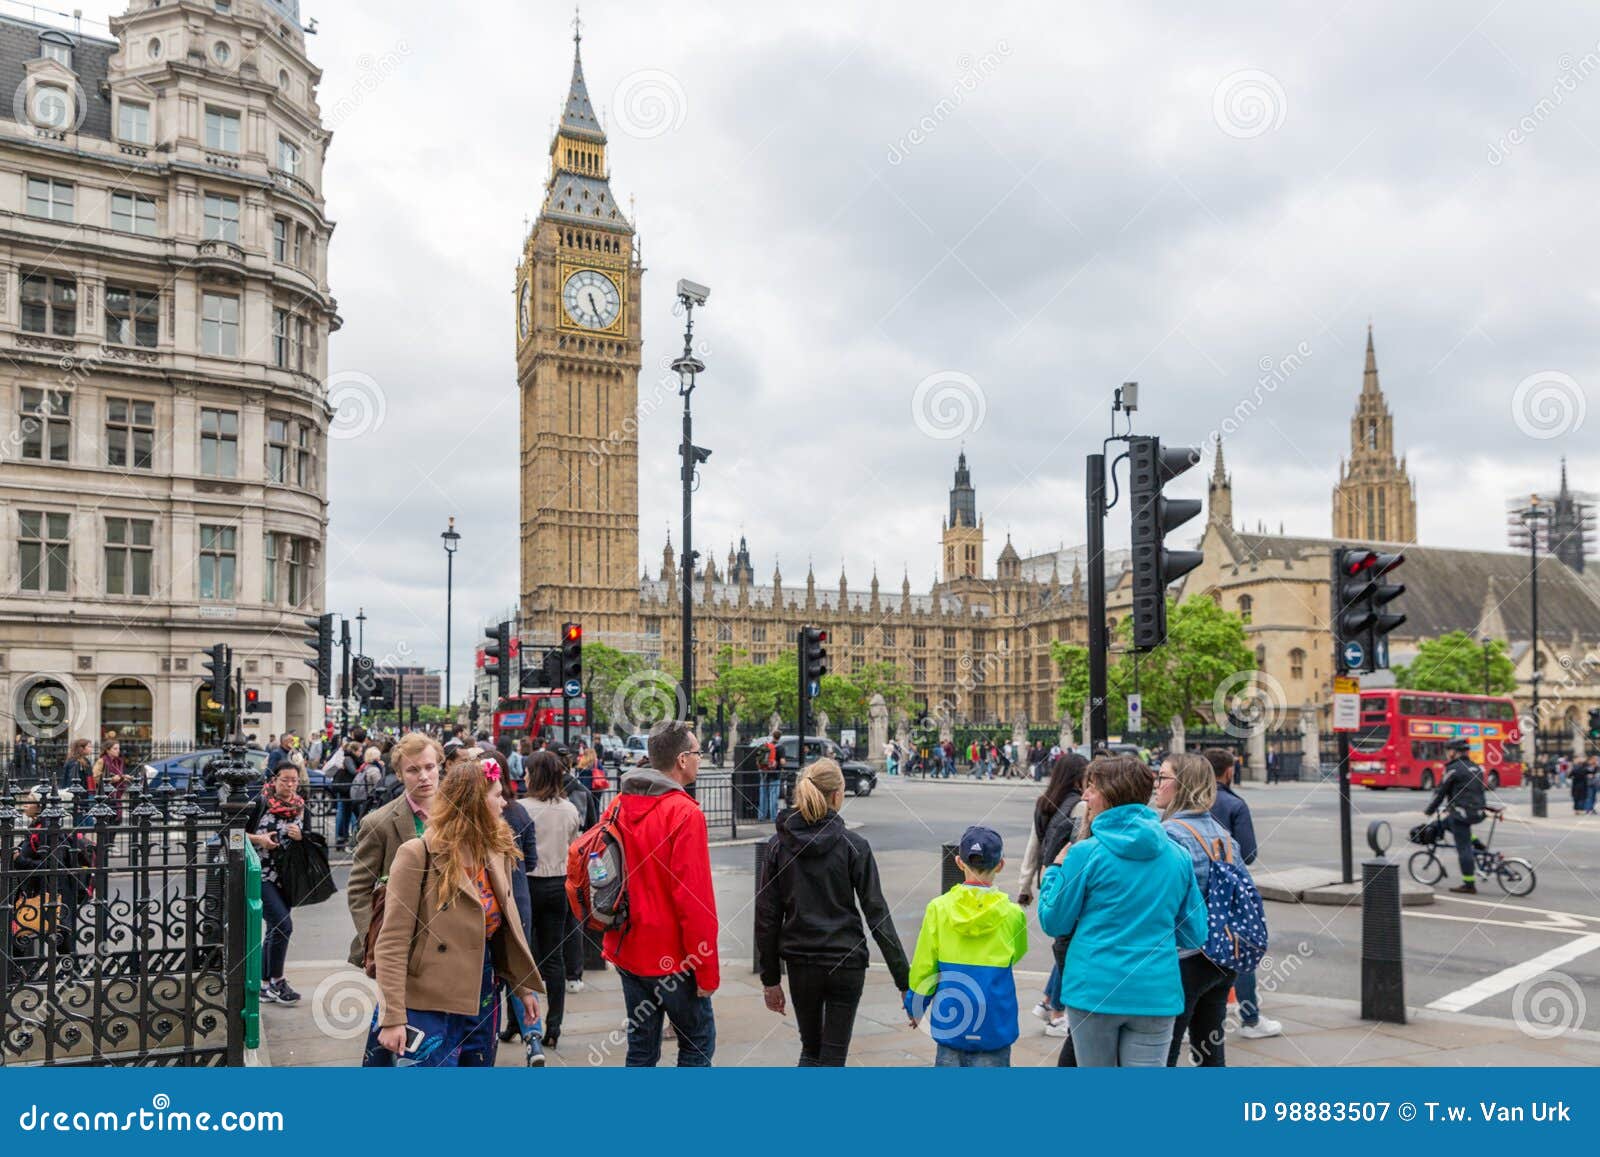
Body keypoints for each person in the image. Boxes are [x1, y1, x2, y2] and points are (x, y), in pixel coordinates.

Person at [371, 757, 543, 1067]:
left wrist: (522, 987)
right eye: (497, 795)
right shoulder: (417, 853)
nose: (504, 803)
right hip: (429, 1002)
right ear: (476, 802)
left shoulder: (496, 850)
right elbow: (392, 942)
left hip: (482, 993)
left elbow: (506, 931)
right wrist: (393, 1016)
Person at [1038, 755, 1208, 1067]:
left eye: (1092, 788)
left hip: (1094, 990)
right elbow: (1194, 933)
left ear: (1112, 793)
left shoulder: (1085, 854)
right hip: (1156, 992)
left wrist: (1052, 872)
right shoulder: (1178, 856)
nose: (1086, 796)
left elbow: (1054, 921)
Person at [756, 759, 910, 1066]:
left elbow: (767, 918)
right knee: (834, 1054)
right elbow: (877, 914)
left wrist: (770, 979)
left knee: (810, 1049)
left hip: (801, 962)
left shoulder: (778, 847)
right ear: (837, 795)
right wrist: (904, 981)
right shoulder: (854, 846)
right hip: (845, 962)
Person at [601, 720, 720, 1067]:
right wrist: (707, 970)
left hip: (628, 948)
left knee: (641, 1048)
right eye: (697, 753)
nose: (700, 759)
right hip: (674, 958)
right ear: (682, 760)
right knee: (697, 1043)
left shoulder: (618, 805)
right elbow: (694, 901)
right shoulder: (685, 813)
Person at [904, 825, 1027, 1066]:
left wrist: (915, 1005)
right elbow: (1018, 953)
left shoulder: (938, 908)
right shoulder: (1013, 914)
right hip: (994, 1023)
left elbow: (924, 965)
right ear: (1000, 865)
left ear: (959, 862)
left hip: (953, 1023)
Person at [1155, 752, 1244, 1067]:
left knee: (1164, 1050)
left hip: (1184, 958)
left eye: (1163, 777)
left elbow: (1160, 902)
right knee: (1210, 1049)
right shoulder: (1225, 837)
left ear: (1182, 785)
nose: (1156, 784)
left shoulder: (1169, 835)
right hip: (1222, 955)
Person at [1204, 747, 1281, 1040]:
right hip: (1228, 888)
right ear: (1229, 771)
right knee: (1240, 950)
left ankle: (1190, 1020)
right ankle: (1250, 1018)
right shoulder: (1234, 804)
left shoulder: (1189, 802)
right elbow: (1248, 854)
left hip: (1195, 888)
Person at [1017, 751, 1087, 1038]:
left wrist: (1025, 885)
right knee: (1069, 945)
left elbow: (1033, 844)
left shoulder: (1043, 803)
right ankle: (1057, 1013)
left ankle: (1047, 1002)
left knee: (1065, 941)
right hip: (1068, 880)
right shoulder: (1080, 807)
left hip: (1048, 877)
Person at [516, 750, 581, 1050]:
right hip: (558, 885)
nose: (524, 775)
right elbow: (573, 848)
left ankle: (519, 1023)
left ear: (536, 775)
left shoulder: (520, 809)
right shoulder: (569, 810)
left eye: (528, 771)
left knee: (521, 956)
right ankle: (554, 1025)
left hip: (527, 885)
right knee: (554, 958)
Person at [243, 765, 307, 1005]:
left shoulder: (299, 806)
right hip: (261, 874)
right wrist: (259, 839)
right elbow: (233, 833)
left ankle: (264, 984)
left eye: (294, 780)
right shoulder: (259, 802)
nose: (290, 785)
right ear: (274, 780)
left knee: (274, 929)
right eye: (285, 780)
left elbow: (305, 839)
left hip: (285, 875)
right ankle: (278, 981)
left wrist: (300, 837)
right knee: (283, 925)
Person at [1425, 738, 1488, 893]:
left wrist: (1429, 810)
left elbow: (1441, 792)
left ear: (1454, 752)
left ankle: (1469, 884)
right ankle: (1476, 842)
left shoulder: (1453, 769)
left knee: (1463, 848)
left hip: (1462, 813)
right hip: (1477, 812)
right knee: (1446, 824)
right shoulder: (1477, 768)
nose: (1447, 754)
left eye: (1448, 751)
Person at [758, 728, 783, 822]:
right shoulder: (780, 747)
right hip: (774, 774)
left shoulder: (766, 745)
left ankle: (761, 816)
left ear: (773, 736)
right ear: (780, 737)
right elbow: (782, 761)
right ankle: (773, 817)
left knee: (763, 794)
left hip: (764, 772)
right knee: (773, 795)